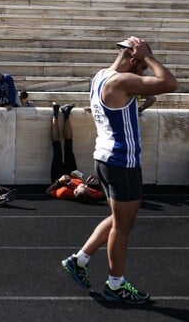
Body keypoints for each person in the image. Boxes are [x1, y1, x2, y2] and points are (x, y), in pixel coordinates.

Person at [61, 36, 178, 304]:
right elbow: (170, 83)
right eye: (143, 65)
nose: (145, 71)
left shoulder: (101, 76)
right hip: (121, 162)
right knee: (123, 226)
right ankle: (115, 285)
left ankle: (79, 259)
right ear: (134, 59)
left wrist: (143, 58)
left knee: (118, 219)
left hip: (104, 157)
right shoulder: (121, 81)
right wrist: (148, 56)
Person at [45, 103, 103, 203]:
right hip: (75, 175)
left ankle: (55, 114)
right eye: (87, 188)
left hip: (60, 177)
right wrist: (99, 179)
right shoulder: (91, 193)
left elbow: (48, 192)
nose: (86, 186)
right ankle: (66, 114)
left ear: (75, 191)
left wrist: (58, 181)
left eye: (84, 187)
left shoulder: (64, 192)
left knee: (57, 148)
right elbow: (104, 194)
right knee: (68, 146)